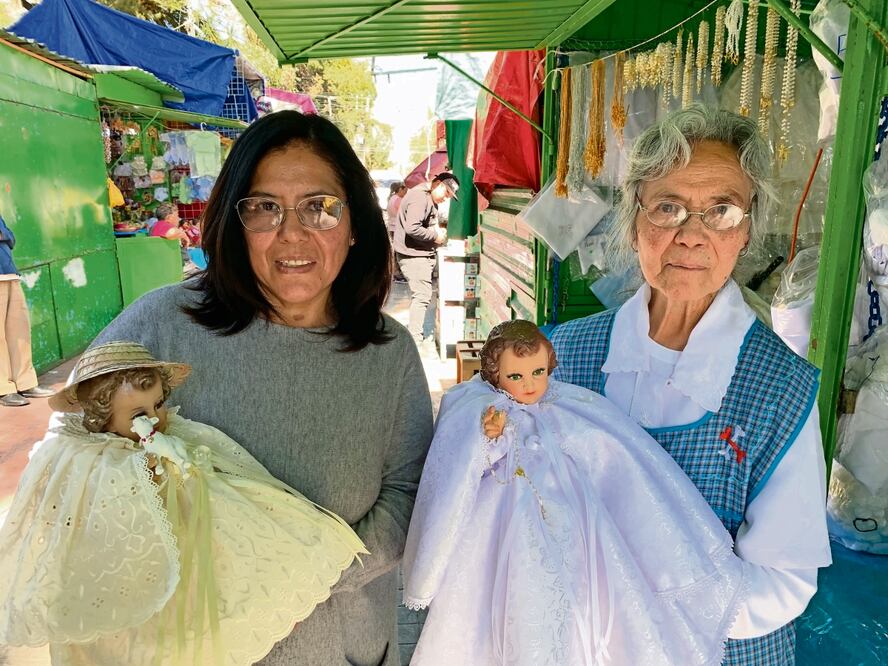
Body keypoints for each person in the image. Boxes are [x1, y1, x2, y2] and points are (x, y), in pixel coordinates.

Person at [84, 110, 434, 665]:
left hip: (342, 648)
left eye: (320, 208)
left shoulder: (387, 351)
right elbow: (79, 456)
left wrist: (302, 578)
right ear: (234, 222)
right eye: (265, 208)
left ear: (355, 226)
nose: (293, 233)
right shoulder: (162, 326)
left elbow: (409, 492)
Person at [550, 105, 832, 665]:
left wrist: (637, 609)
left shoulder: (779, 387)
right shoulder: (561, 358)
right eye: (668, 208)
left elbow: (782, 582)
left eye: (722, 211)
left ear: (746, 231)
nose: (693, 235)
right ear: (635, 224)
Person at [403, 319, 747, 665]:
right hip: (503, 517)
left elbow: (611, 450)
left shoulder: (568, 401)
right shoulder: (476, 404)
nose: (530, 385)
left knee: (586, 595)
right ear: (494, 375)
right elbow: (459, 465)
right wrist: (490, 435)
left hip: (572, 515)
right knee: (513, 601)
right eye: (516, 377)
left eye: (538, 372)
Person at [0, 341, 367, 665]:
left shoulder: (178, 434)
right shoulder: (90, 463)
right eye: (139, 414)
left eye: (158, 404)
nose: (156, 418)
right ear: (101, 418)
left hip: (195, 541)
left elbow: (225, 468)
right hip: (137, 559)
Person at [393, 172, 460, 352]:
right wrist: (435, 236)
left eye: (449, 196)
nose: (446, 198)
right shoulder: (420, 197)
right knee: (421, 296)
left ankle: (414, 337)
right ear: (436, 183)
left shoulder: (427, 197)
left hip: (418, 254)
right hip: (413, 256)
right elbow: (412, 227)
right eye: (445, 192)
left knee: (422, 295)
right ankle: (414, 340)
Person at [0, 212, 53, 407]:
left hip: (9, 274)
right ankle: (4, 389)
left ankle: (26, 383)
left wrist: (4, 234)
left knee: (20, 332)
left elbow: (11, 238)